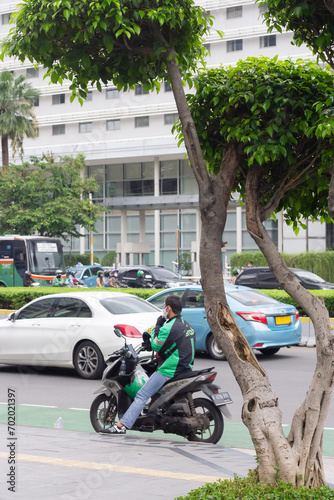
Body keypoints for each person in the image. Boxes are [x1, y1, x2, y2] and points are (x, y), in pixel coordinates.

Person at [109, 295, 196, 434]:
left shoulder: (168, 327)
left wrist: (158, 325)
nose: (163, 309)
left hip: (171, 369)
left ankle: (121, 426)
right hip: (186, 366)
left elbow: (155, 346)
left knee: (142, 395)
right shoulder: (186, 324)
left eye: (163, 306)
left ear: (168, 308)